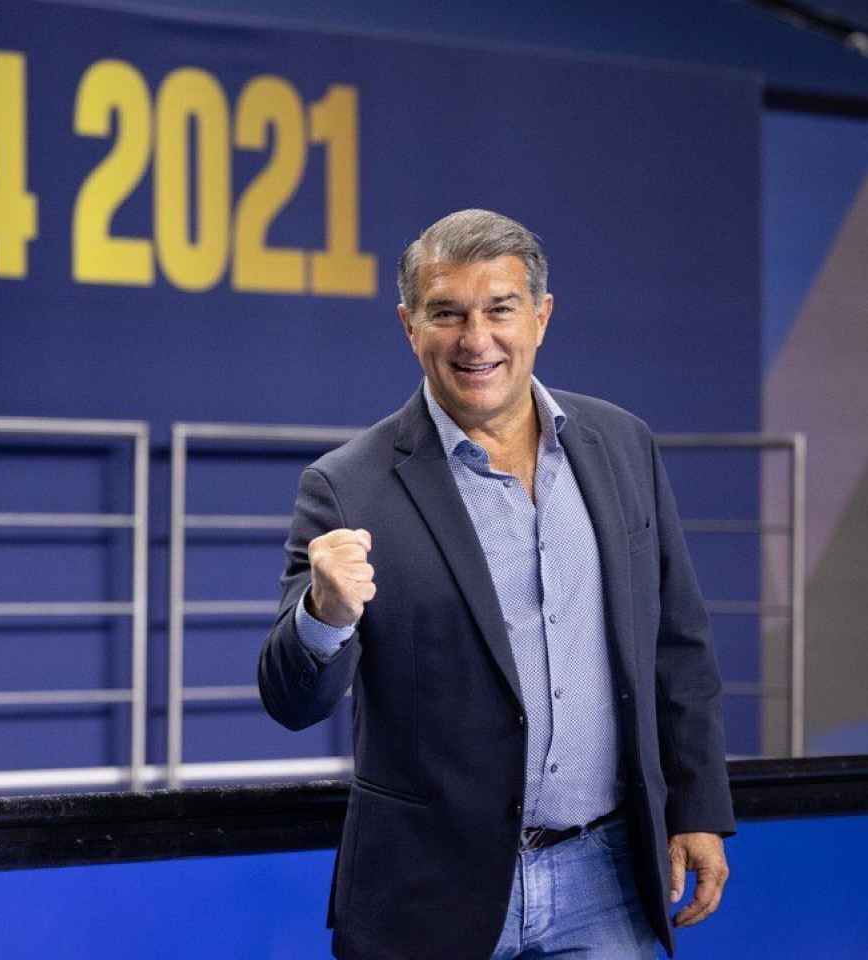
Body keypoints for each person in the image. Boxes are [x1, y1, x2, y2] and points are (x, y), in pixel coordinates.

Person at [258, 209, 734, 959]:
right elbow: (291, 700)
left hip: (606, 878)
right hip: (428, 895)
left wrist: (697, 807)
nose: (475, 340)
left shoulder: (620, 444)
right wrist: (326, 613)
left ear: (540, 317)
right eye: (446, 313)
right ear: (409, 327)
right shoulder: (346, 486)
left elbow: (677, 643)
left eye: (499, 309)